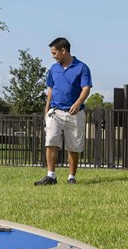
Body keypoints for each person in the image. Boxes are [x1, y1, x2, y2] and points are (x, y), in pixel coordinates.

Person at [35, 37, 91, 185]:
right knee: (51, 141)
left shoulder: (82, 68)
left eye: (54, 53)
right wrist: (47, 107)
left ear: (63, 51)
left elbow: (86, 88)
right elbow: (50, 88)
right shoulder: (54, 69)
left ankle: (71, 177)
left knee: (74, 146)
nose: (53, 56)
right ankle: (51, 176)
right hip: (55, 112)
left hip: (74, 113)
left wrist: (78, 103)